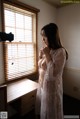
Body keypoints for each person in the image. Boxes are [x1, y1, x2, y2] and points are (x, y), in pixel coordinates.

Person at [35, 23, 68, 119]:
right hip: (43, 86)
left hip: (53, 89)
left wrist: (47, 55)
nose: (43, 40)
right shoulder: (48, 49)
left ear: (51, 37)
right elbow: (41, 66)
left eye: (44, 37)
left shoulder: (60, 52)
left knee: (51, 111)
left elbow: (52, 74)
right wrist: (41, 55)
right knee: (44, 110)